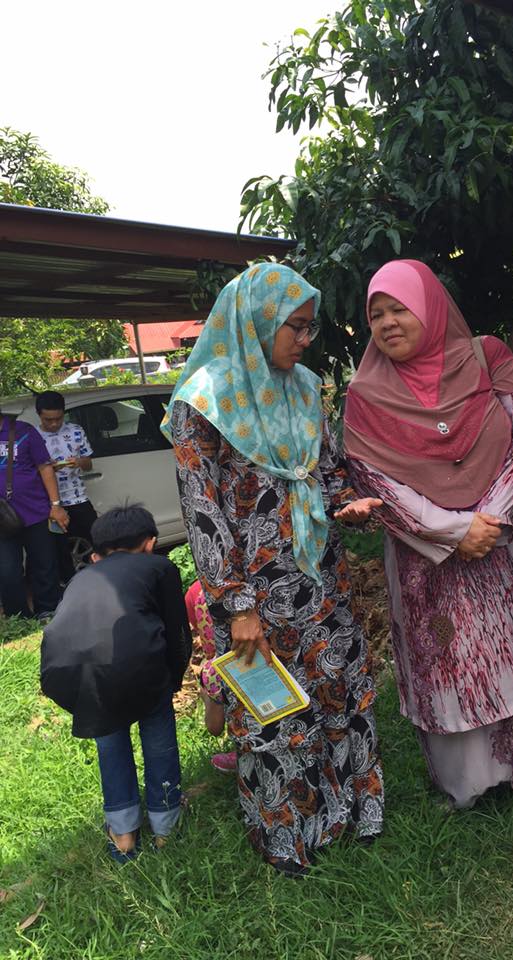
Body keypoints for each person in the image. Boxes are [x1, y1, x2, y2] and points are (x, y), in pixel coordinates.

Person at [340, 259, 513, 829]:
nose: (386, 323)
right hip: (428, 560)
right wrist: (457, 532)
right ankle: (468, 787)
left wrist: (494, 517)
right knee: (451, 667)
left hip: (505, 544)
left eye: (398, 308)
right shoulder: (365, 394)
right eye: (375, 314)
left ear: (430, 307)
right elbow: (373, 480)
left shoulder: (488, 356)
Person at [164, 263, 384, 876]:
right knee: (274, 716)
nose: (306, 340)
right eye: (297, 327)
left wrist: (348, 503)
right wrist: (236, 606)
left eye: (312, 329)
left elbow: (329, 468)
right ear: (257, 320)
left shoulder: (307, 389)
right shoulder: (202, 402)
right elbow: (203, 513)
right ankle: (288, 835)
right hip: (256, 597)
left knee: (339, 688)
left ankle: (349, 810)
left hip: (322, 579)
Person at [40, 505, 192, 862]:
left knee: (110, 744)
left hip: (67, 674)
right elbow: (177, 633)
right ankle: (165, 826)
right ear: (150, 543)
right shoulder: (159, 566)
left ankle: (123, 834)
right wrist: (173, 678)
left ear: (97, 553)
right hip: (137, 667)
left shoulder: (82, 576)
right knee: (158, 741)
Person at [0, 411, 68, 621]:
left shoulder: (24, 431)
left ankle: (47, 611)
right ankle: (19, 619)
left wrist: (55, 505)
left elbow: (45, 467)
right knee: (7, 571)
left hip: (36, 511)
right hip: (2, 519)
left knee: (44, 565)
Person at [35, 390, 97, 582]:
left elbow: (89, 464)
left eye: (58, 419)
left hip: (78, 497)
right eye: (48, 420)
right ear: (39, 415)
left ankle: (98, 579)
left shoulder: (75, 431)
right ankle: (67, 585)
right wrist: (45, 469)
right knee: (58, 549)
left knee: (95, 539)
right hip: (50, 504)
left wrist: (78, 462)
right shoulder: (33, 436)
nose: (53, 424)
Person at [184, 578, 236, 775]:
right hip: (255, 659)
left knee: (215, 723)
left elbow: (197, 626)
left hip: (216, 666)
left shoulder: (195, 591)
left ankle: (238, 751)